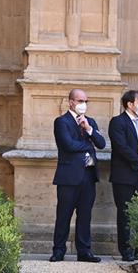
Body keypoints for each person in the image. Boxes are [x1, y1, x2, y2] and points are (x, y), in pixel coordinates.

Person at [51, 88, 105, 263]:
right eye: (80, 101)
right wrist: (88, 146)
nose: (83, 105)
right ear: (71, 102)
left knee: (85, 215)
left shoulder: (91, 122)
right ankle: (59, 250)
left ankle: (84, 251)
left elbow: (102, 143)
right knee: (64, 214)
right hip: (69, 176)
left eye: (86, 102)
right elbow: (68, 145)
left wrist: (89, 130)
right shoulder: (61, 122)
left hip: (88, 176)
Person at [108, 90, 138, 262]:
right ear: (130, 104)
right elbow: (122, 147)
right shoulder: (118, 122)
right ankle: (126, 250)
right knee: (125, 213)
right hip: (125, 176)